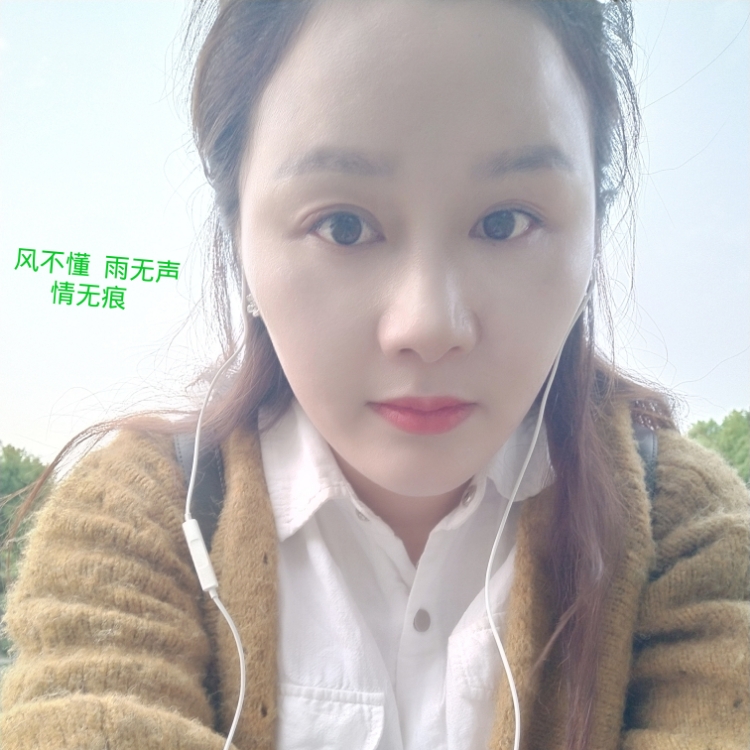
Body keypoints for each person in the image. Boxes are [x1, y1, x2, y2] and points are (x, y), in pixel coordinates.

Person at [2, 1, 748, 749]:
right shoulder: (142, 518)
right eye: (344, 226)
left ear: (593, 232)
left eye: (505, 222)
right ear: (238, 240)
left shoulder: (681, 527)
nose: (429, 326)